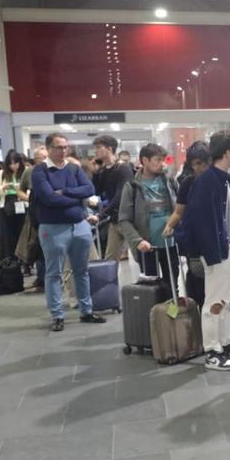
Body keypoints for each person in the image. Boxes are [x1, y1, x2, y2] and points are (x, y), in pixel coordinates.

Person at [165, 139, 230, 369]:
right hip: (217, 250)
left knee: (227, 299)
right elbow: (198, 220)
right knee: (214, 301)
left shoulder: (224, 178)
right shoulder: (204, 182)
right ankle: (213, 351)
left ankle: (227, 343)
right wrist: (216, 249)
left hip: (229, 246)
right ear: (226, 152)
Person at [30, 133, 106, 332]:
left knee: (82, 271)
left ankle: (86, 311)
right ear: (48, 148)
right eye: (58, 147)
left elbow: (88, 189)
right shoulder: (39, 171)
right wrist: (76, 196)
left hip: (80, 226)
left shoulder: (74, 168)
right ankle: (57, 315)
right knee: (54, 273)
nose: (63, 150)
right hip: (53, 229)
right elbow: (48, 198)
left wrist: (64, 192)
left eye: (65, 147)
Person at [118, 144, 179, 285]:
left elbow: (180, 208)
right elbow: (124, 220)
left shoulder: (169, 182)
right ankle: (155, 308)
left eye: (163, 160)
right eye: (157, 160)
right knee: (151, 288)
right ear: (145, 161)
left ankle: (171, 308)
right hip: (147, 246)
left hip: (171, 244)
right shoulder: (132, 186)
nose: (162, 164)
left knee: (172, 286)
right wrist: (138, 241)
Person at [93, 135, 135, 262]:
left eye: (99, 148)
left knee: (141, 254)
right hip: (115, 220)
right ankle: (109, 282)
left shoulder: (123, 168)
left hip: (130, 219)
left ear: (109, 149)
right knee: (111, 257)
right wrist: (96, 172)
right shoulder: (104, 171)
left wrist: (101, 215)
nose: (95, 151)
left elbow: (121, 194)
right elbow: (97, 191)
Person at [18, 146, 48, 291]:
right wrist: (30, 199)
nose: (42, 160)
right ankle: (42, 279)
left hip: (52, 214)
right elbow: (20, 190)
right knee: (37, 246)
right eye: (39, 158)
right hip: (35, 215)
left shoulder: (53, 171)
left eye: (44, 157)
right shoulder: (29, 172)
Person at [0, 151, 27, 261]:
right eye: (10, 163)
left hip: (22, 207)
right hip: (6, 208)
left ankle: (25, 264)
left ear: (20, 163)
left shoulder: (25, 172)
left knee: (23, 237)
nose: (13, 166)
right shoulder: (2, 173)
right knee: (7, 238)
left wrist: (21, 192)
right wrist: (3, 188)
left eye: (15, 163)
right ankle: (8, 263)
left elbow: (31, 191)